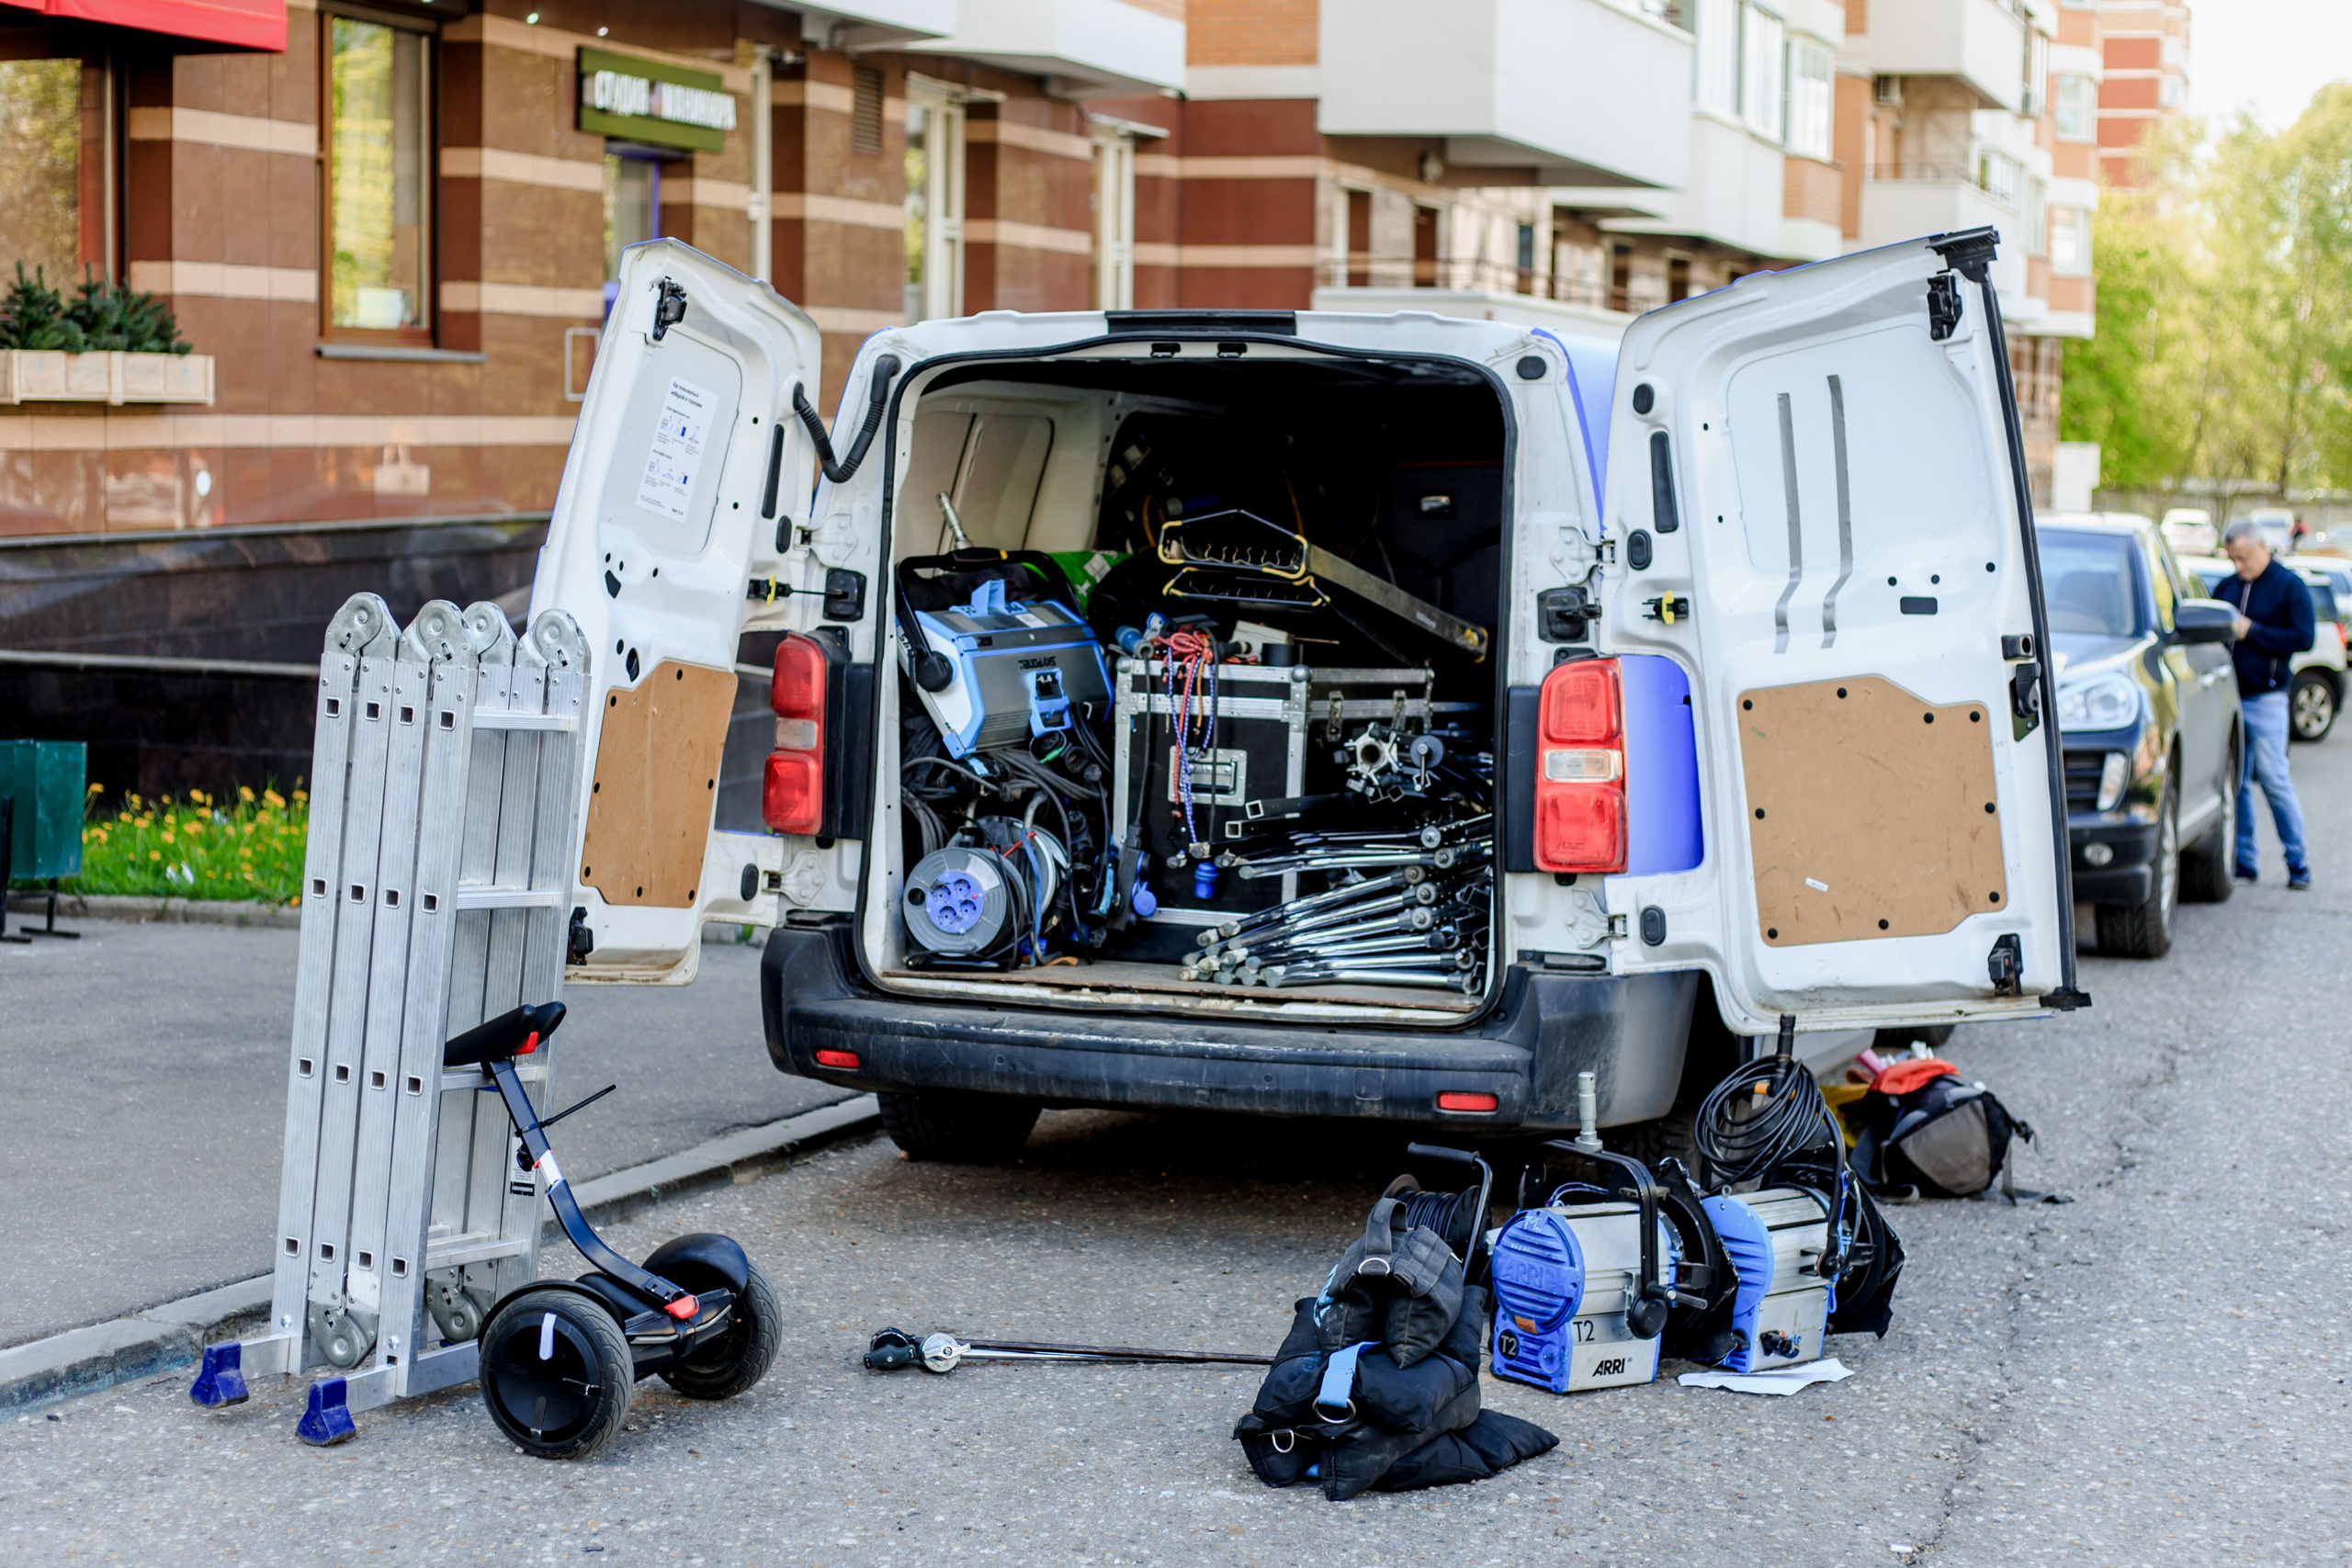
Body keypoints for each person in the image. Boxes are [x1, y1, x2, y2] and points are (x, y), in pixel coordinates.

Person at [2213, 518, 2314, 888]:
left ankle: (2298, 862)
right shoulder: (2227, 587)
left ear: (2261, 548)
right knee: (2236, 783)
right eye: (2232, 559)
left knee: (2274, 779)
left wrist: (2251, 630)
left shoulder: (2290, 586)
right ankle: (2243, 862)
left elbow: (2303, 637)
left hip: (2267, 698)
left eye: (2242, 558)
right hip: (2228, 699)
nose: (2238, 566)